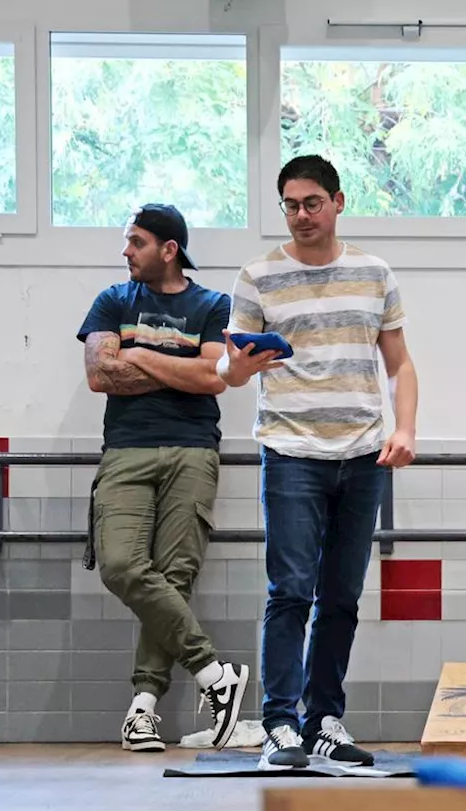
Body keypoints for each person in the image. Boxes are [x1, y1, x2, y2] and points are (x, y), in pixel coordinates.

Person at [220, 155, 419, 770]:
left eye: (311, 202)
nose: (301, 215)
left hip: (362, 455)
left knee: (342, 596)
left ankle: (324, 717)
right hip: (291, 452)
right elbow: (227, 371)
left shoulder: (374, 272)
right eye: (290, 204)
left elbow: (400, 366)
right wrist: (240, 368)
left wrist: (406, 427)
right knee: (290, 592)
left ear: (337, 202)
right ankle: (280, 723)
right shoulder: (258, 276)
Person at [77, 203, 250, 753]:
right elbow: (99, 374)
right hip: (126, 450)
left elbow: (213, 379)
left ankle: (142, 710)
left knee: (175, 577)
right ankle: (214, 675)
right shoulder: (112, 300)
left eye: (136, 242)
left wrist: (141, 353)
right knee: (123, 566)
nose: (126, 251)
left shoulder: (212, 303)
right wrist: (180, 365)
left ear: (168, 249)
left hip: (194, 449)